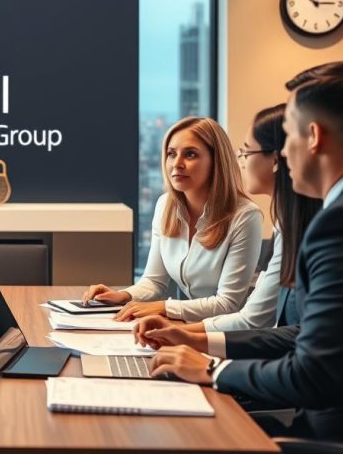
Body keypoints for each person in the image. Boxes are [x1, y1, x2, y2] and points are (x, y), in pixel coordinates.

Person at [140, 61, 343, 453]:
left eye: (286, 137)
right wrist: (201, 340)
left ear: (313, 136)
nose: (284, 155)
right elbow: (311, 334)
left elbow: (315, 376)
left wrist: (210, 369)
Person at [135, 104, 320, 337]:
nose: (241, 161)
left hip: (248, 343)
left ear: (277, 159)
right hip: (247, 341)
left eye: (246, 152)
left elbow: (252, 320)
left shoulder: (279, 223)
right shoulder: (286, 225)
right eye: (171, 153)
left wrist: (180, 331)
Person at [84, 117, 263, 322]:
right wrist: (122, 296)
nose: (177, 164)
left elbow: (227, 303)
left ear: (216, 161)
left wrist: (163, 307)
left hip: (234, 336)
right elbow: (154, 281)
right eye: (171, 154)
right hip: (188, 328)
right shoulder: (165, 205)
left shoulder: (246, 216)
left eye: (190, 154)